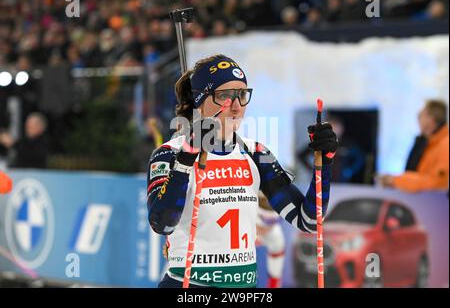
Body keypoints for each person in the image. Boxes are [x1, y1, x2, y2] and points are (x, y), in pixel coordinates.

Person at [146, 54, 338, 288]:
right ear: (200, 100)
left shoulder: (256, 153)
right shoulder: (170, 153)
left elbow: (309, 221)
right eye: (224, 96)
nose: (236, 106)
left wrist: (325, 162)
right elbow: (162, 224)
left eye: (242, 95)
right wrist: (186, 159)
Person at [379, 100, 449, 192]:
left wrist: (396, 180)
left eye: (420, 116)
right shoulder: (430, 143)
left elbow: (437, 183)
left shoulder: (445, 145)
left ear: (430, 119)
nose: (418, 120)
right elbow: (424, 177)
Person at [256, 191, 285, 288]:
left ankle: (274, 284)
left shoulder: (281, 193)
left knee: (278, 245)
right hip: (250, 228)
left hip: (271, 231)